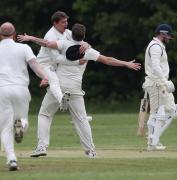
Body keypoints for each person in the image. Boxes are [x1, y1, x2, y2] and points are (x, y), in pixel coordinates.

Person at [18, 23, 141, 158]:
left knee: (45, 114)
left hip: (58, 86)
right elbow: (107, 60)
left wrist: (30, 38)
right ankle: (91, 151)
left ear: (72, 34)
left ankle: (41, 146)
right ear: (84, 36)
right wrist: (126, 63)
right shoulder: (88, 50)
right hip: (75, 89)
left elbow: (45, 43)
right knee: (81, 119)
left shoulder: (63, 44)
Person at [0, 22, 48, 171]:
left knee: (5, 127)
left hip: (2, 90)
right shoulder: (24, 48)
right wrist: (44, 77)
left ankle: (12, 159)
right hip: (21, 89)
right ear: (14, 35)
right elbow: (35, 66)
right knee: (22, 119)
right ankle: (21, 125)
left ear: (0, 35)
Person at [33, 11, 89, 110]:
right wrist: (76, 62)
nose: (66, 24)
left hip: (56, 66)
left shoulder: (67, 32)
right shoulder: (50, 36)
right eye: (63, 22)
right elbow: (57, 58)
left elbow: (79, 39)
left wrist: (86, 44)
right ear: (55, 23)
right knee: (54, 81)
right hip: (44, 65)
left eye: (66, 21)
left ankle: (78, 114)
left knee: (66, 85)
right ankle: (61, 101)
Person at [142, 23, 177, 151]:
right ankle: (152, 141)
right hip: (157, 83)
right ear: (163, 34)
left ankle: (153, 139)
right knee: (158, 112)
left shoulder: (158, 46)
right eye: (168, 36)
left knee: (171, 110)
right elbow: (156, 66)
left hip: (158, 83)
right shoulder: (156, 47)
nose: (169, 38)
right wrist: (164, 82)